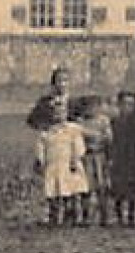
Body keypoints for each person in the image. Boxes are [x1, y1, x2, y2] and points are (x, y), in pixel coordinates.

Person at [35, 95, 87, 227]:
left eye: (62, 112)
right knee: (54, 191)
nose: (58, 115)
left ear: (67, 113)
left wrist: (75, 159)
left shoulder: (72, 129)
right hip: (54, 164)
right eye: (55, 113)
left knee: (72, 190)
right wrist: (40, 160)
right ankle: (54, 216)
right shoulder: (47, 132)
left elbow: (78, 145)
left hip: (69, 164)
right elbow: (41, 146)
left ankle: (74, 216)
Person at [74, 95, 115, 227]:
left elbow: (108, 138)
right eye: (88, 107)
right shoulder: (80, 122)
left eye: (94, 107)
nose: (91, 110)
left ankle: (105, 216)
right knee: (85, 187)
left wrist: (97, 138)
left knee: (102, 187)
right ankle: (86, 216)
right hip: (85, 156)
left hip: (100, 156)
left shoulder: (103, 121)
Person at [108, 90, 135, 228]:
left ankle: (131, 216)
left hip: (132, 157)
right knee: (118, 188)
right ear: (119, 105)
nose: (127, 107)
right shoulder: (114, 122)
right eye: (124, 104)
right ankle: (119, 216)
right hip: (118, 157)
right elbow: (111, 140)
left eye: (131, 104)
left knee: (132, 188)